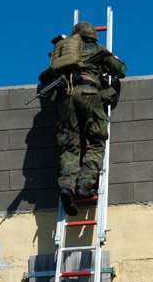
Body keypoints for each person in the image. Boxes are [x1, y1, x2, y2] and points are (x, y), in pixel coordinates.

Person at [38, 21, 126, 216]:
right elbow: (121, 71)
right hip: (88, 94)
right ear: (93, 35)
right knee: (95, 141)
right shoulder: (97, 49)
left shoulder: (64, 53)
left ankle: (67, 187)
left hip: (65, 98)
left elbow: (44, 76)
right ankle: (84, 186)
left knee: (69, 147)